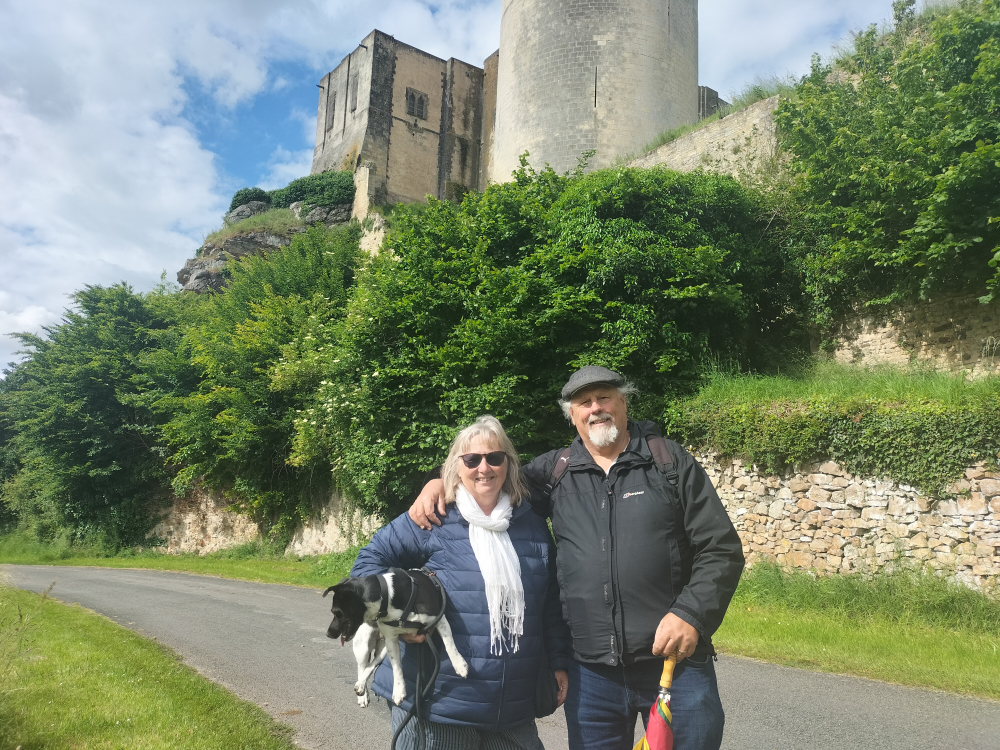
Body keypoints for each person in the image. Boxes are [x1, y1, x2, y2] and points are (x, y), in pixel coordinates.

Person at [410, 366, 745, 750]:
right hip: (591, 675)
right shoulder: (555, 472)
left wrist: (691, 614)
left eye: (604, 397)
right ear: (572, 414)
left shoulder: (669, 462)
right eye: (584, 402)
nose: (595, 408)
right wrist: (440, 481)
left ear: (623, 401)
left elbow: (720, 547)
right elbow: (488, 481)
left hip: (675, 665)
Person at [352, 415, 571, 750]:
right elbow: (366, 566)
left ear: (508, 464)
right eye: (472, 460)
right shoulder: (433, 518)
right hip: (438, 706)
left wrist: (558, 662)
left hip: (511, 708)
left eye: (494, 458)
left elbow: (550, 603)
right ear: (456, 466)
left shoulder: (533, 527)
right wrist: (393, 620)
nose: (484, 468)